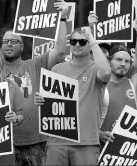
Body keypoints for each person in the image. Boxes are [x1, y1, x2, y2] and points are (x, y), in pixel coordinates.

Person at [0, 1, 68, 166]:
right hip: (1, 144)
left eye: (14, 41)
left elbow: (60, 49)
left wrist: (62, 19)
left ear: (22, 46)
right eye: (5, 41)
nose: (9, 44)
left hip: (35, 142)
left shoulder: (35, 64)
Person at [34, 17, 111, 165]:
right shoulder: (57, 69)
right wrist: (40, 100)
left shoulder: (97, 68)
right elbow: (48, 106)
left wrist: (91, 38)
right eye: (73, 41)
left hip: (86, 142)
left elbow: (107, 73)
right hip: (56, 141)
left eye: (82, 42)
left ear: (90, 44)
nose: (77, 45)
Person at [100, 18, 137, 143]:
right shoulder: (98, 83)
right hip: (102, 149)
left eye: (127, 61)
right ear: (108, 61)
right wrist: (98, 134)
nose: (123, 64)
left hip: (129, 152)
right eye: (119, 60)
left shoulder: (134, 82)